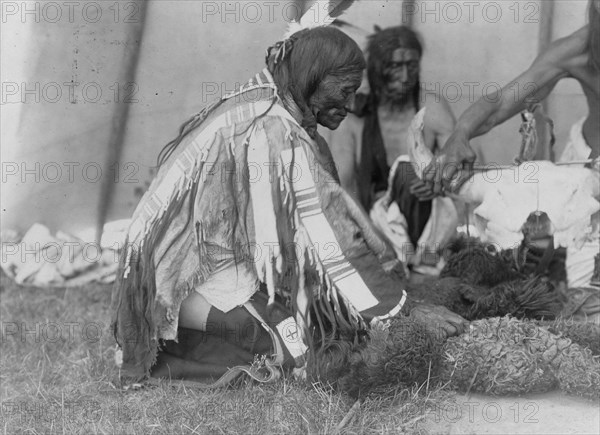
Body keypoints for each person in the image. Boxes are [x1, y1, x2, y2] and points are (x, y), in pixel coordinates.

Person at [110, 26, 467, 388]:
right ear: (314, 77)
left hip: (202, 264)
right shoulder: (275, 130)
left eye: (353, 93)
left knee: (323, 321)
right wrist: (404, 310)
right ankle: (163, 345)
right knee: (298, 347)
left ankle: (194, 334)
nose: (348, 104)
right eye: (344, 91)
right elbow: (330, 240)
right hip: (169, 281)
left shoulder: (269, 102)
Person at [424, 0, 599, 318]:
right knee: (577, 292)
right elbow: (503, 101)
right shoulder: (572, 50)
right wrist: (461, 133)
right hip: (584, 169)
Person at [323, 25, 458, 270]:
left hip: (426, 232)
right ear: (376, 69)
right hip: (369, 227)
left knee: (408, 173)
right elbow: (343, 189)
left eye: (412, 66)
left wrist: (439, 183)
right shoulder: (353, 116)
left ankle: (419, 259)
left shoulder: (432, 108)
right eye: (395, 66)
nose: (405, 77)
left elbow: (461, 168)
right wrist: (379, 243)